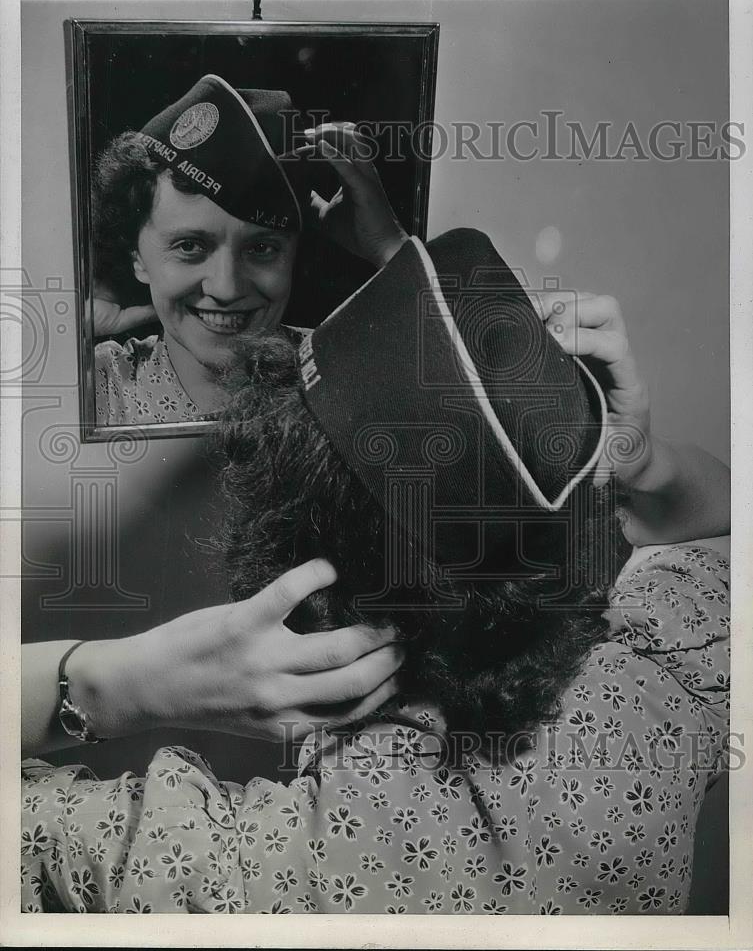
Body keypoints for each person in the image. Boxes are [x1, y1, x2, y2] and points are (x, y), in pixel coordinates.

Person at [21, 230, 729, 914]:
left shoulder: (244, 868)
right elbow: (724, 523)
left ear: (311, 581)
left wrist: (114, 683)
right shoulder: (657, 677)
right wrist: (642, 459)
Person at [91, 72, 407, 424]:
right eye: (189, 246)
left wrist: (390, 248)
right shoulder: (98, 383)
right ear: (137, 257)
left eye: (261, 248)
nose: (227, 288)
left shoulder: (345, 375)